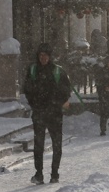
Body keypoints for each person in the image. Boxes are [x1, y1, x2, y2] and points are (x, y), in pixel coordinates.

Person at [22, 42, 73, 183]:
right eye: (41, 55)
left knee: (56, 144)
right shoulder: (33, 70)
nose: (43, 58)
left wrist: (56, 103)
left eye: (45, 55)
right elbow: (27, 89)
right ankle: (39, 174)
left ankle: (54, 173)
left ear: (50, 56)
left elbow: (66, 90)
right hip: (39, 113)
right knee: (39, 144)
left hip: (54, 113)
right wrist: (34, 103)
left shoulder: (57, 71)